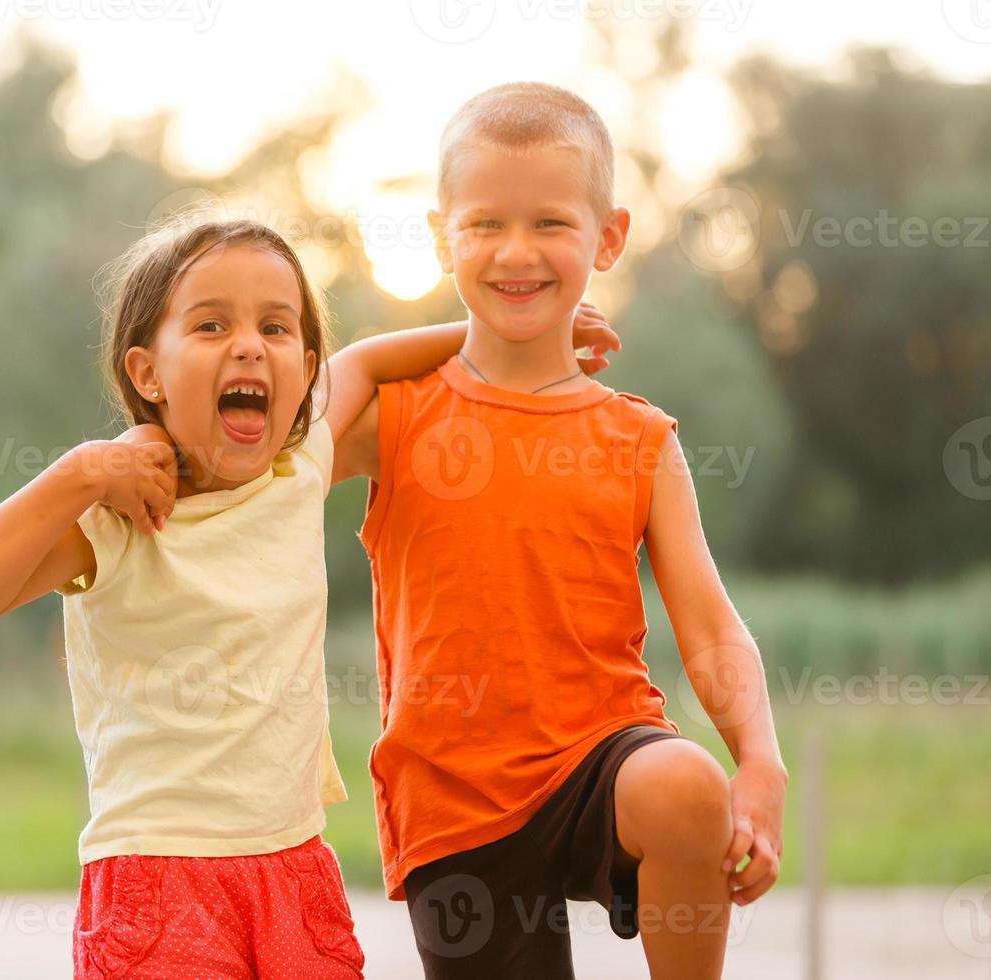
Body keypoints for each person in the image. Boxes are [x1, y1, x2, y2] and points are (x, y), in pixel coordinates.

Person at [0, 214, 621, 978]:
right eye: (210, 324)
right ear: (147, 373)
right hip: (159, 875)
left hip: (293, 867)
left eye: (276, 327)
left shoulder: (300, 468)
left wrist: (512, 335)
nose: (250, 344)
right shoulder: (115, 516)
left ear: (302, 375)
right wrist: (84, 472)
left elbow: (368, 358)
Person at [335, 82, 790, 979]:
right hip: (455, 804)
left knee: (685, 785)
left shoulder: (640, 439)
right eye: (483, 226)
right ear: (439, 236)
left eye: (550, 224)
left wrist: (762, 764)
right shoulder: (395, 419)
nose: (516, 252)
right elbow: (284, 428)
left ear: (609, 237)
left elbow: (706, 624)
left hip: (601, 761)